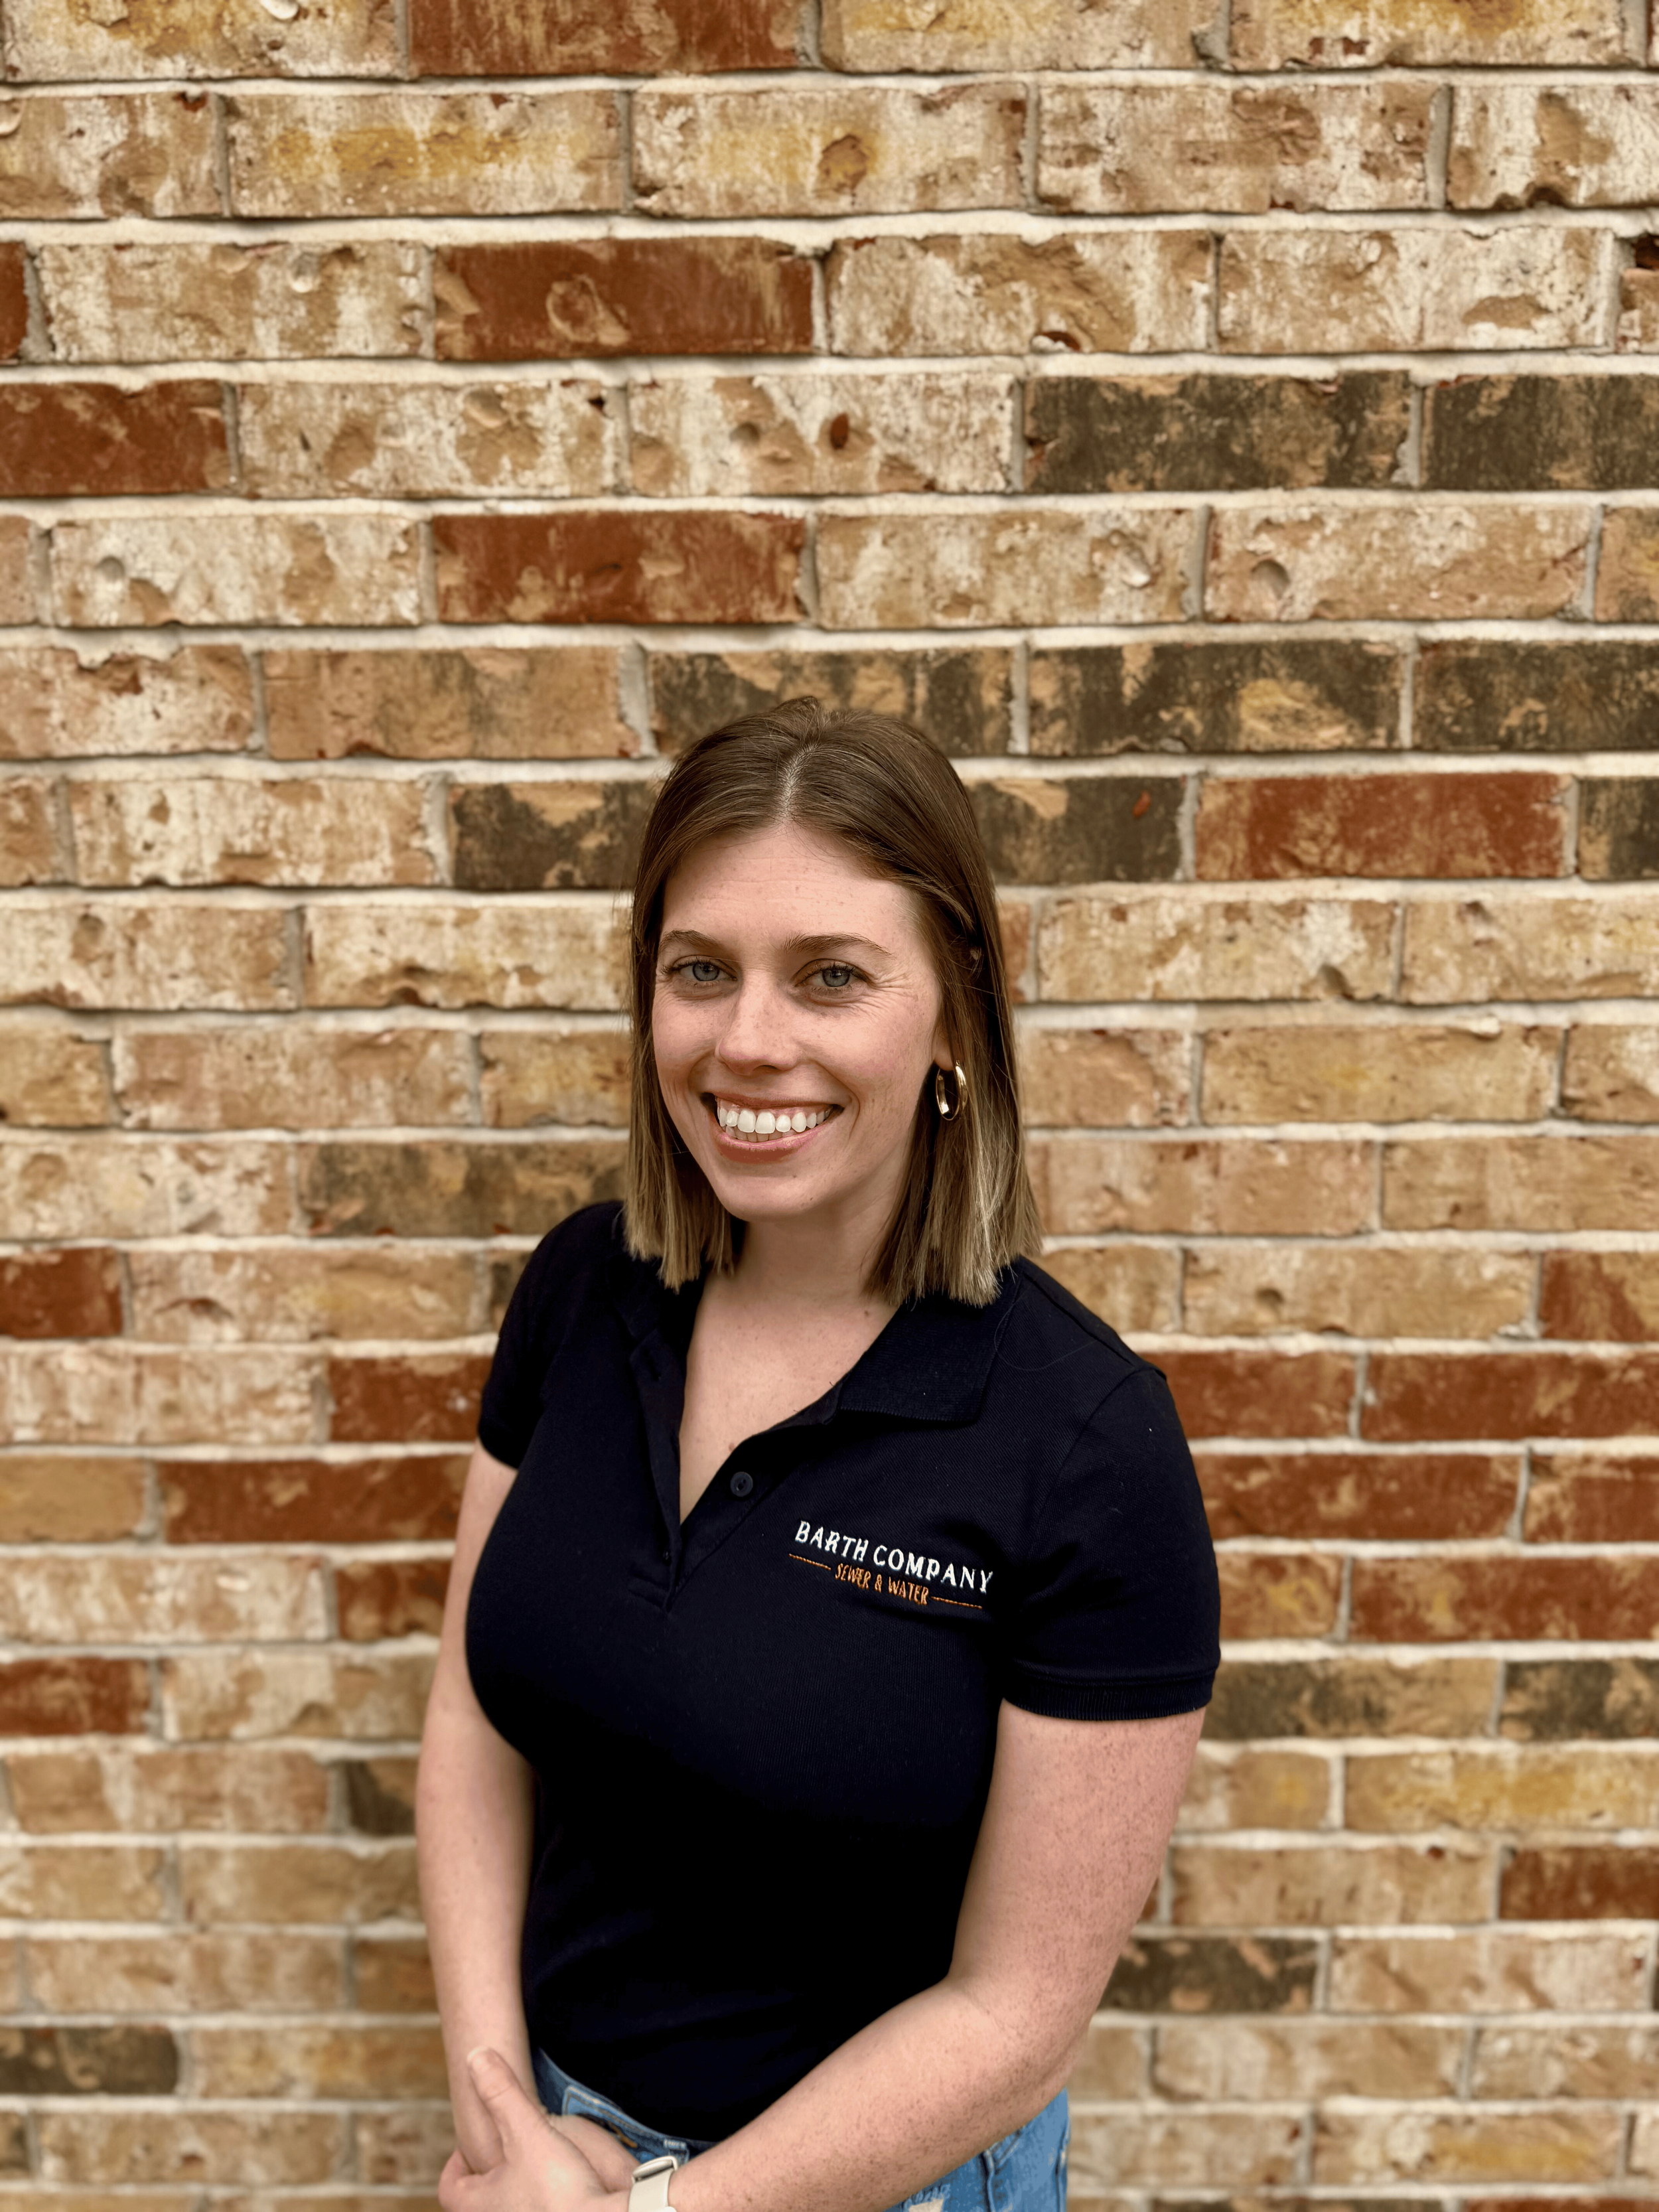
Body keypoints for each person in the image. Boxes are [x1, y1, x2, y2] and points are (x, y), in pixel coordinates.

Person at [417, 698, 1220, 2212]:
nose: (748, 1040)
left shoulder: (1084, 1443)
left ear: (954, 1015)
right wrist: (500, 2109)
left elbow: (1014, 2017)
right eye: (699, 970)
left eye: (831, 976)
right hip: (552, 2151)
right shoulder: (584, 1288)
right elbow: (475, 1714)